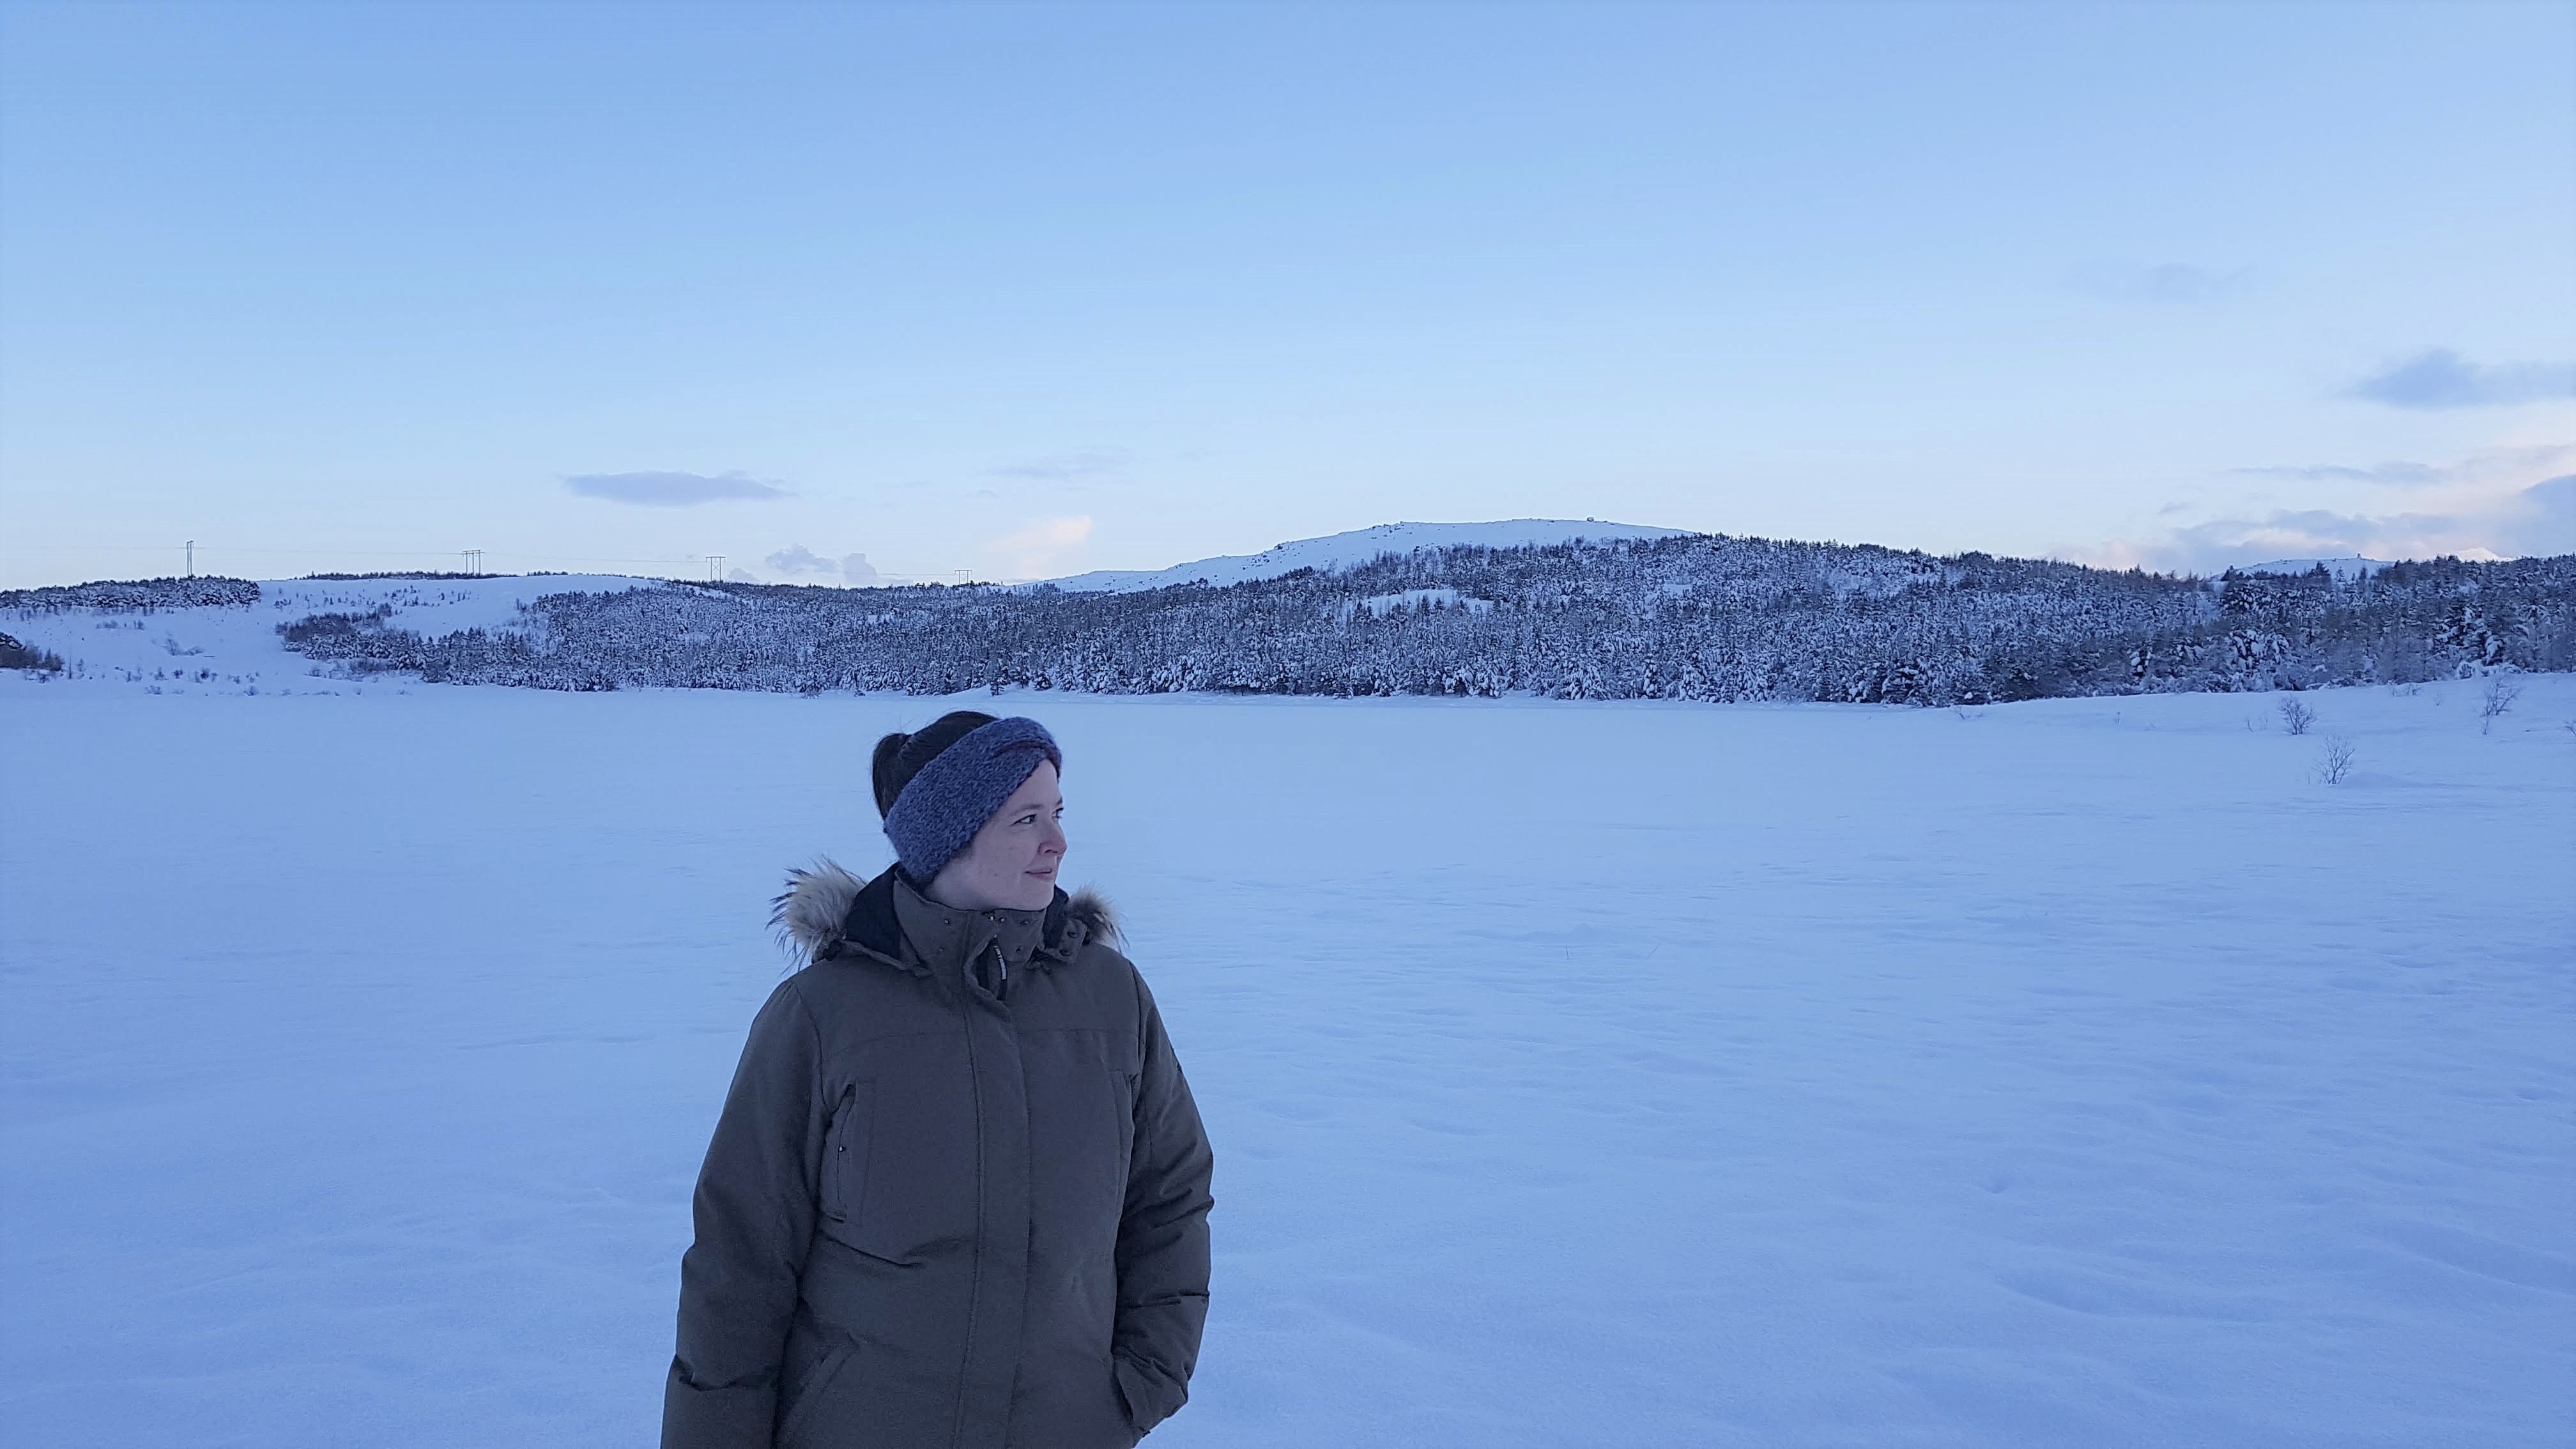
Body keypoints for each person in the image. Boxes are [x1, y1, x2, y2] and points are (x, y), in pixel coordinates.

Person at [661, 711, 1216, 1449]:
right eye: (1027, 819)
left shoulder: (1112, 1000)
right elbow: (741, 1262)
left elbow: (1170, 1197)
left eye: (1058, 813)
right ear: (949, 835)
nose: (1058, 842)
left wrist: (1144, 1380)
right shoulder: (823, 1016)